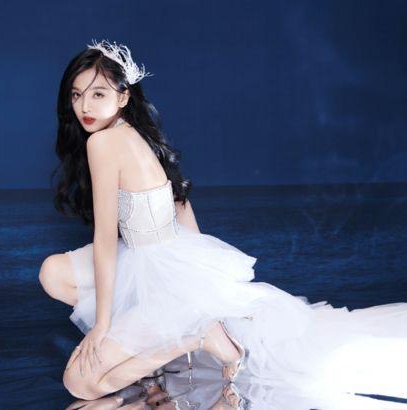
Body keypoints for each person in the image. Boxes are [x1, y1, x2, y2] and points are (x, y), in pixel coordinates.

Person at [39, 39, 407, 407]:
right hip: (155, 260)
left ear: (123, 96)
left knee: (79, 384)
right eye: (76, 95)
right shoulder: (133, 133)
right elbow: (179, 206)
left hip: (159, 272)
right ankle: (161, 351)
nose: (84, 107)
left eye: (98, 94)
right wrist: (200, 281)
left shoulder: (103, 143)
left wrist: (102, 326)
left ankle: (198, 337)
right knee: (53, 273)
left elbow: (105, 239)